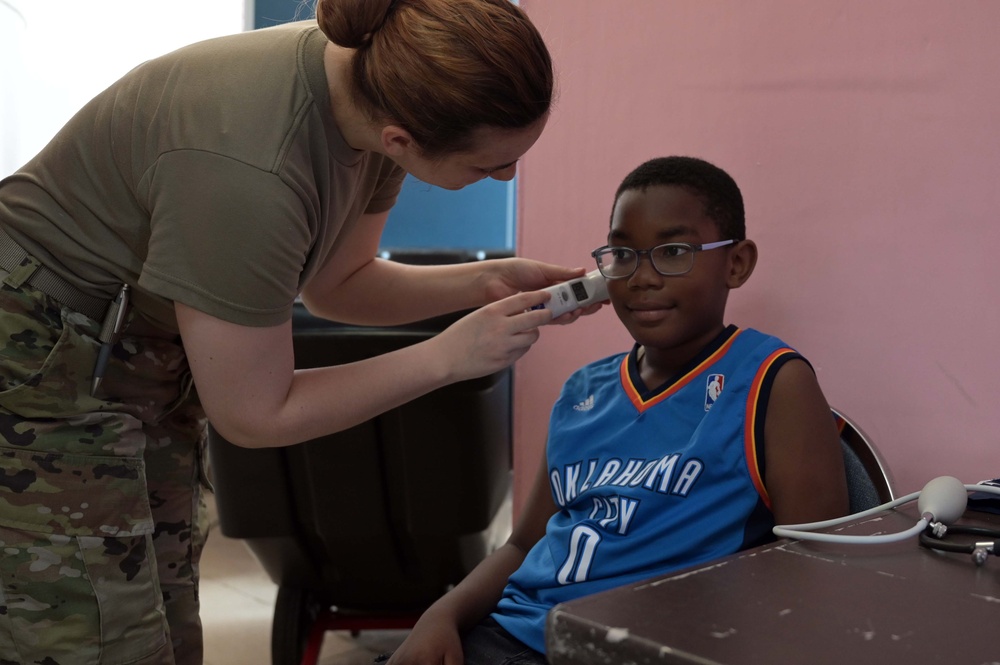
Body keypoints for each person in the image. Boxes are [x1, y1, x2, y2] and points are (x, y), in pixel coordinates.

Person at [0, 1, 593, 663]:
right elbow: (255, 413)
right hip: (38, 352)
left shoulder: (379, 89)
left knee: (164, 608)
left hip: (139, 344)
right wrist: (446, 358)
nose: (507, 175)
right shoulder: (250, 171)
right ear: (403, 138)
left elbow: (340, 283)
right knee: (97, 633)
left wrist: (485, 283)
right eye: (490, 166)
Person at [383, 155, 850, 664]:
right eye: (623, 255)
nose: (643, 277)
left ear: (736, 263)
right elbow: (522, 546)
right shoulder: (584, 390)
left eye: (673, 251)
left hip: (636, 649)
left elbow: (816, 572)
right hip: (512, 635)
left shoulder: (771, 380)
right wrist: (442, 616)